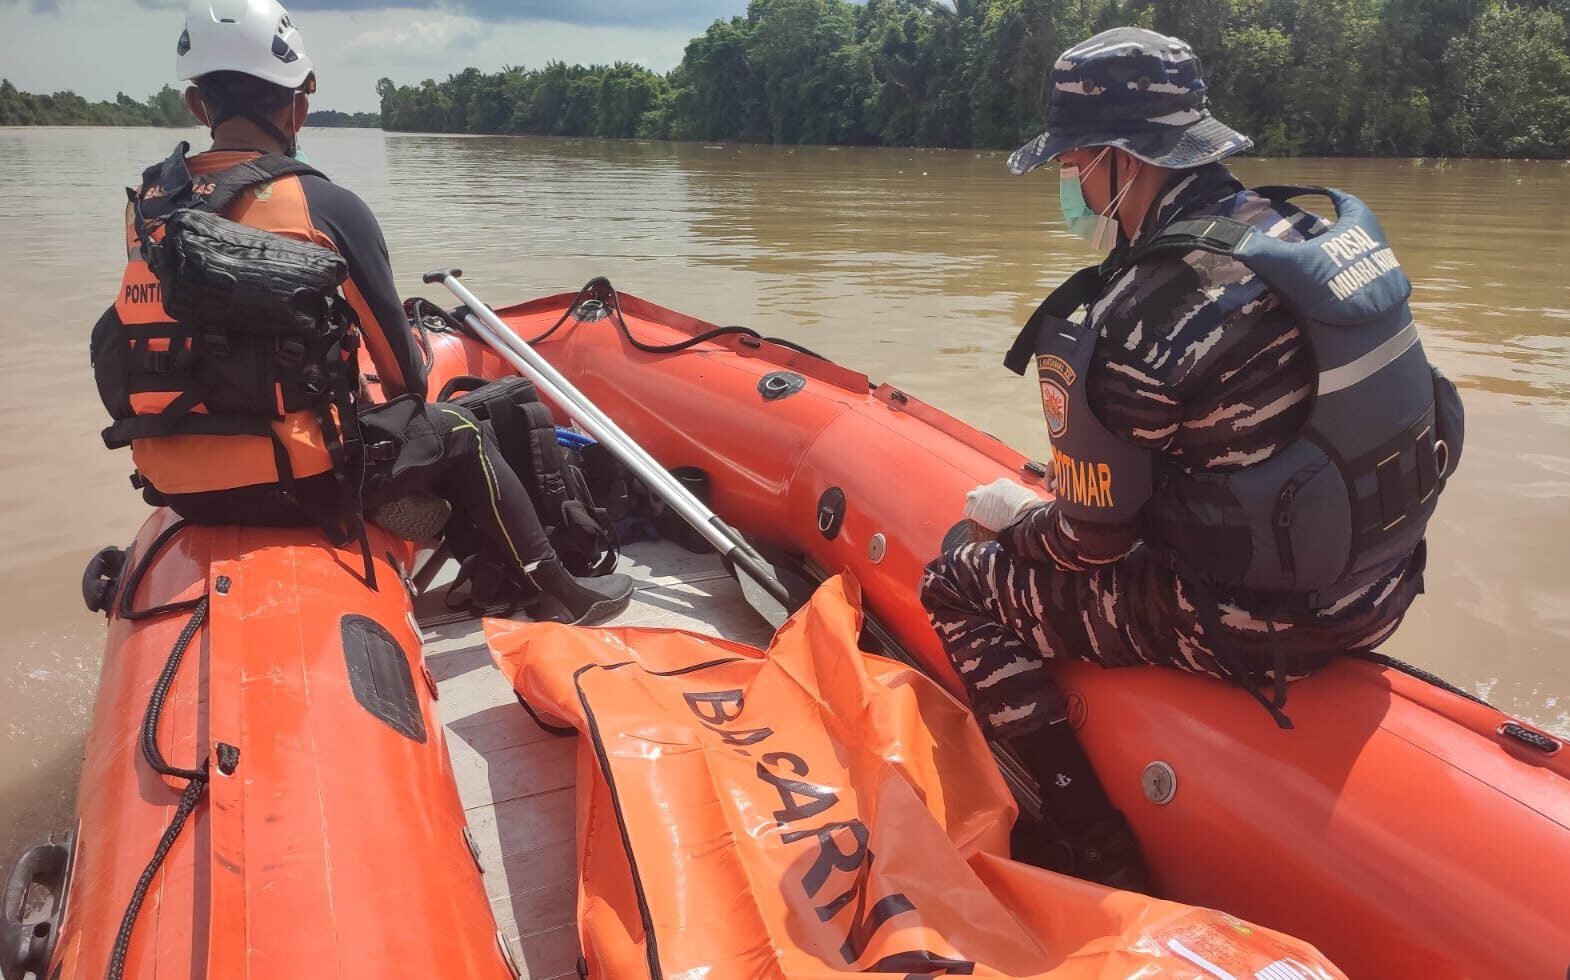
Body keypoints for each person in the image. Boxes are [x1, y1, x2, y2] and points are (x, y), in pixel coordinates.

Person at [920, 27, 1464, 889]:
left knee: (953, 578)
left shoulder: (1140, 310)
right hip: (1388, 584)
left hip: (1266, 628)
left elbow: (1086, 546)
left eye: (1070, 163)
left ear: (1116, 158)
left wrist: (1015, 522)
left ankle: (1084, 829)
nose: (1069, 182)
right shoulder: (1311, 236)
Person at [90, 0, 633, 626]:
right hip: (293, 485)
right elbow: (403, 377)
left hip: (173, 482)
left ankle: (484, 562)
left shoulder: (149, 209)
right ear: (301, 101)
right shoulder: (323, 205)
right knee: (461, 428)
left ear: (195, 104)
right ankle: (556, 589)